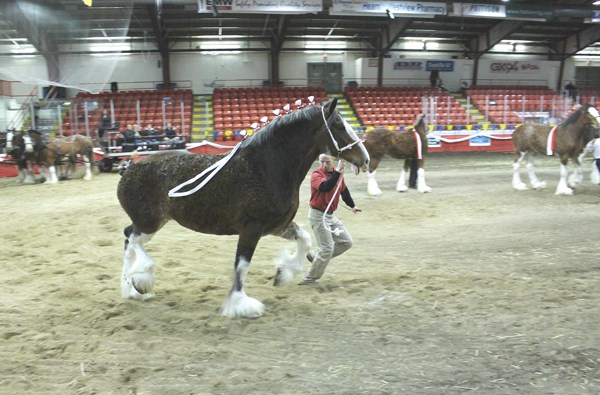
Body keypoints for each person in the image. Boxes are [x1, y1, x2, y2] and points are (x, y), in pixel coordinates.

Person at [302, 153, 360, 284]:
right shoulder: (316, 175)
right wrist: (338, 171)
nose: (324, 165)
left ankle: (316, 256)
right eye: (321, 162)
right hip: (318, 216)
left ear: (333, 160)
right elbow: (326, 186)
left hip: (330, 216)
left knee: (346, 242)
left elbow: (343, 191)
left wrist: (352, 205)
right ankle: (310, 279)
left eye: (327, 162)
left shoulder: (337, 174)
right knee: (327, 249)